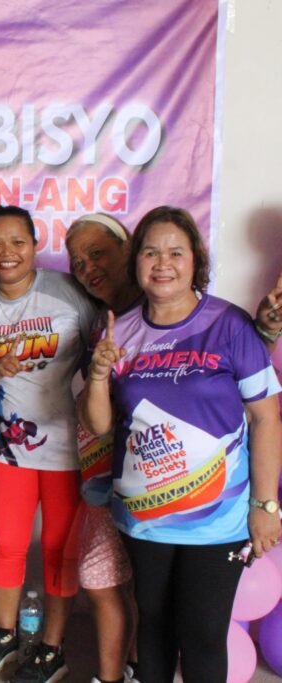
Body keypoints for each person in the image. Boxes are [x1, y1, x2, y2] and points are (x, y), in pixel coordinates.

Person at [78, 206, 282, 683]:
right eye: (151, 252)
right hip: (144, 515)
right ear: (136, 261)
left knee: (203, 634)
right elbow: (101, 426)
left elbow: (265, 418)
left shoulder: (229, 325)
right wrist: (99, 374)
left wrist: (265, 505)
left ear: (196, 260)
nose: (163, 263)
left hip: (218, 518)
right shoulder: (119, 330)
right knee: (154, 627)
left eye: (175, 252)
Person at [0, 205, 95, 683]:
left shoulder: (68, 293)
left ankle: (53, 648)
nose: (7, 252)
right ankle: (5, 633)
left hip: (69, 450)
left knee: (59, 551)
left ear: (35, 245)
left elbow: (107, 357)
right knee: (6, 545)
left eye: (18, 241)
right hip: (9, 450)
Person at [65, 213, 139, 683]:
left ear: (127, 248)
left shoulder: (160, 313)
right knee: (101, 578)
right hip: (99, 477)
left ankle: (132, 670)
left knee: (141, 585)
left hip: (150, 479)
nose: (88, 268)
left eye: (97, 254)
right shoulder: (96, 322)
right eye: (78, 262)